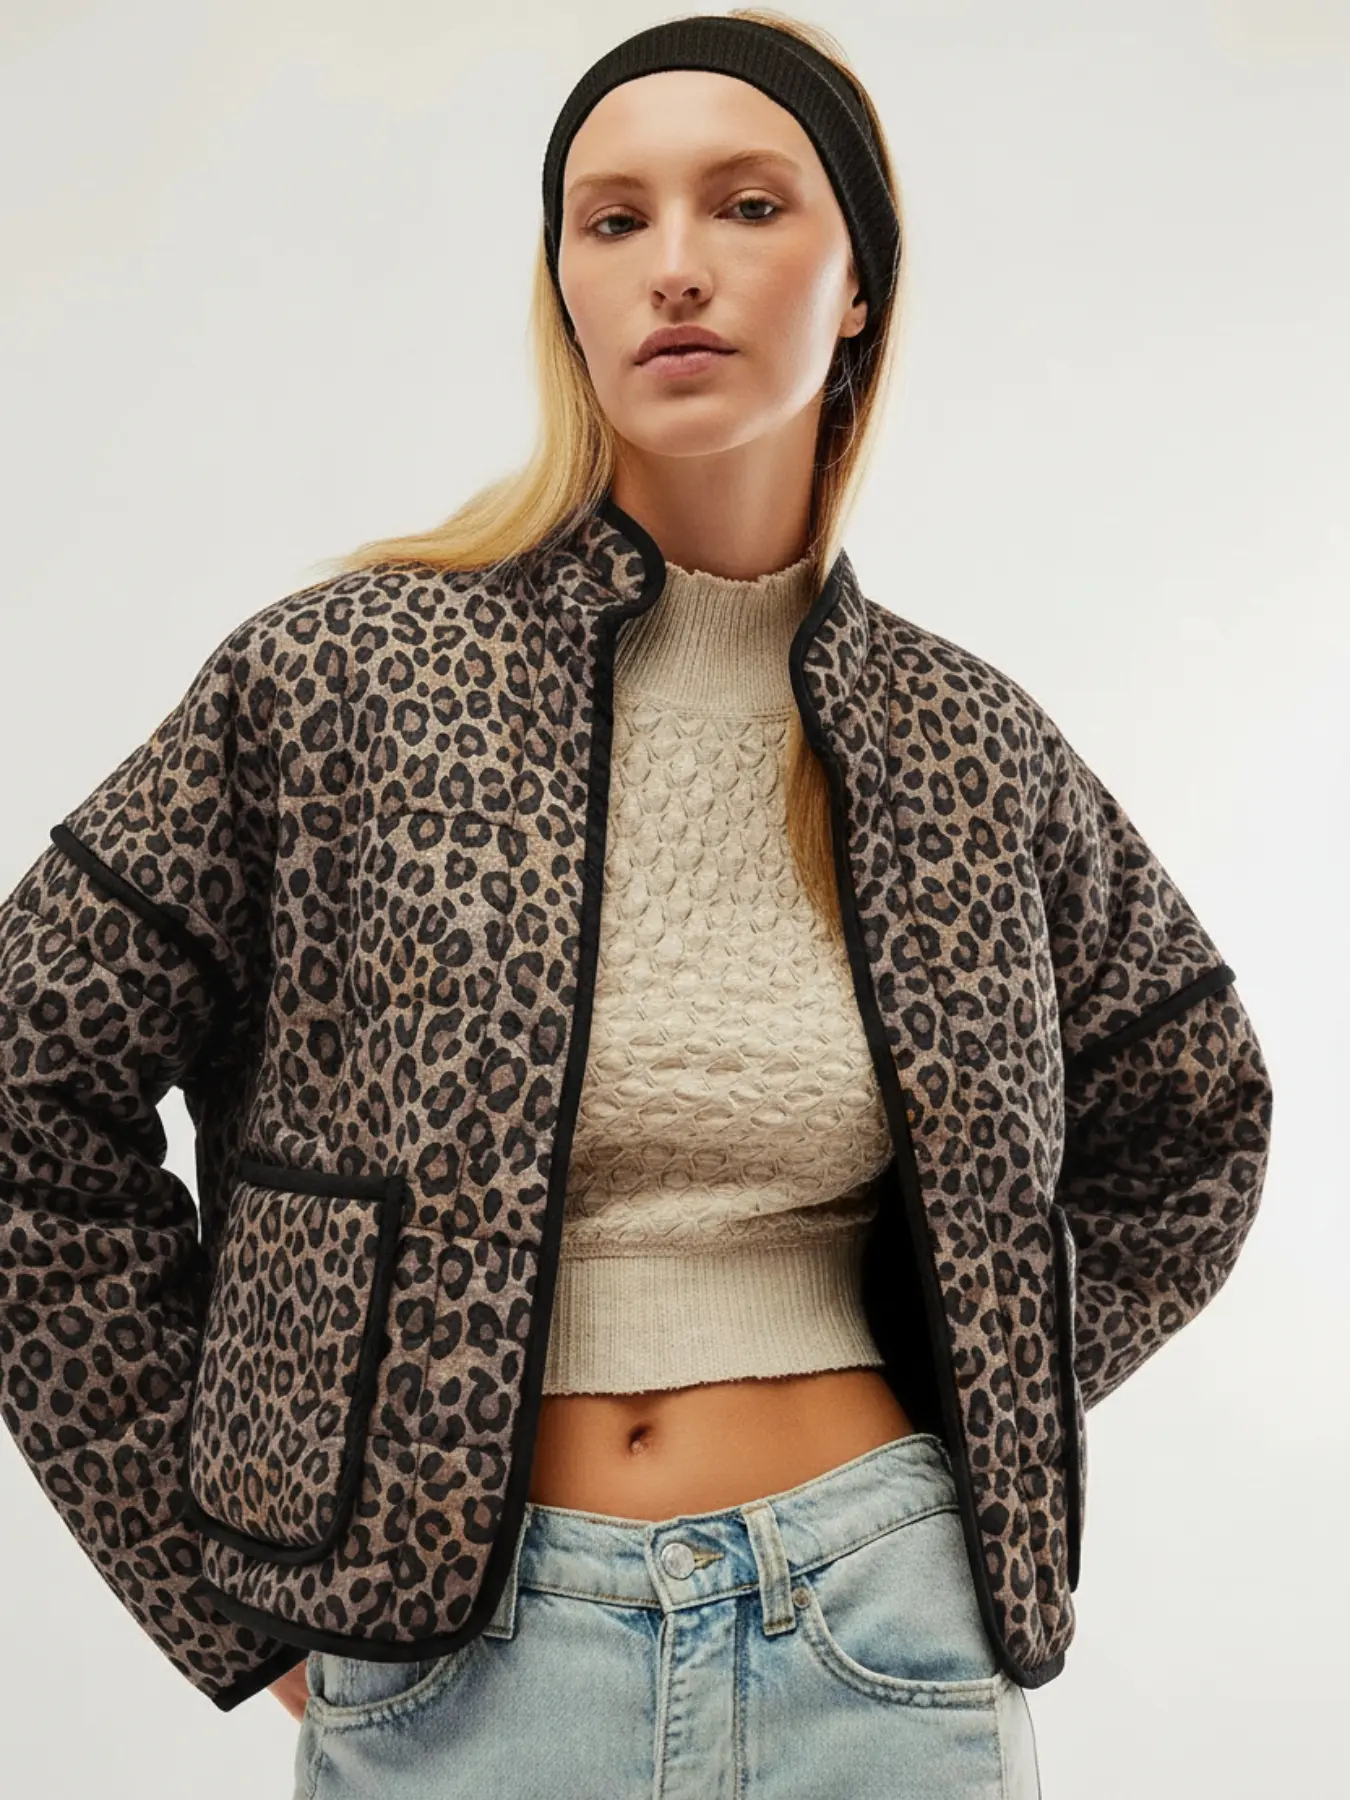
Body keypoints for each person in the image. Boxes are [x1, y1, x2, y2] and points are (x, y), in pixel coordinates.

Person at [0, 12, 1272, 1800]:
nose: (675, 264)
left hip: (882, 1639)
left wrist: (972, 1400)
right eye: (613, 220)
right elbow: (25, 1088)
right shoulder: (339, 682)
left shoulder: (966, 745)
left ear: (856, 284)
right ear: (566, 289)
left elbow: (1196, 1122)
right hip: (459, 1670)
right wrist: (238, 1574)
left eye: (746, 205)